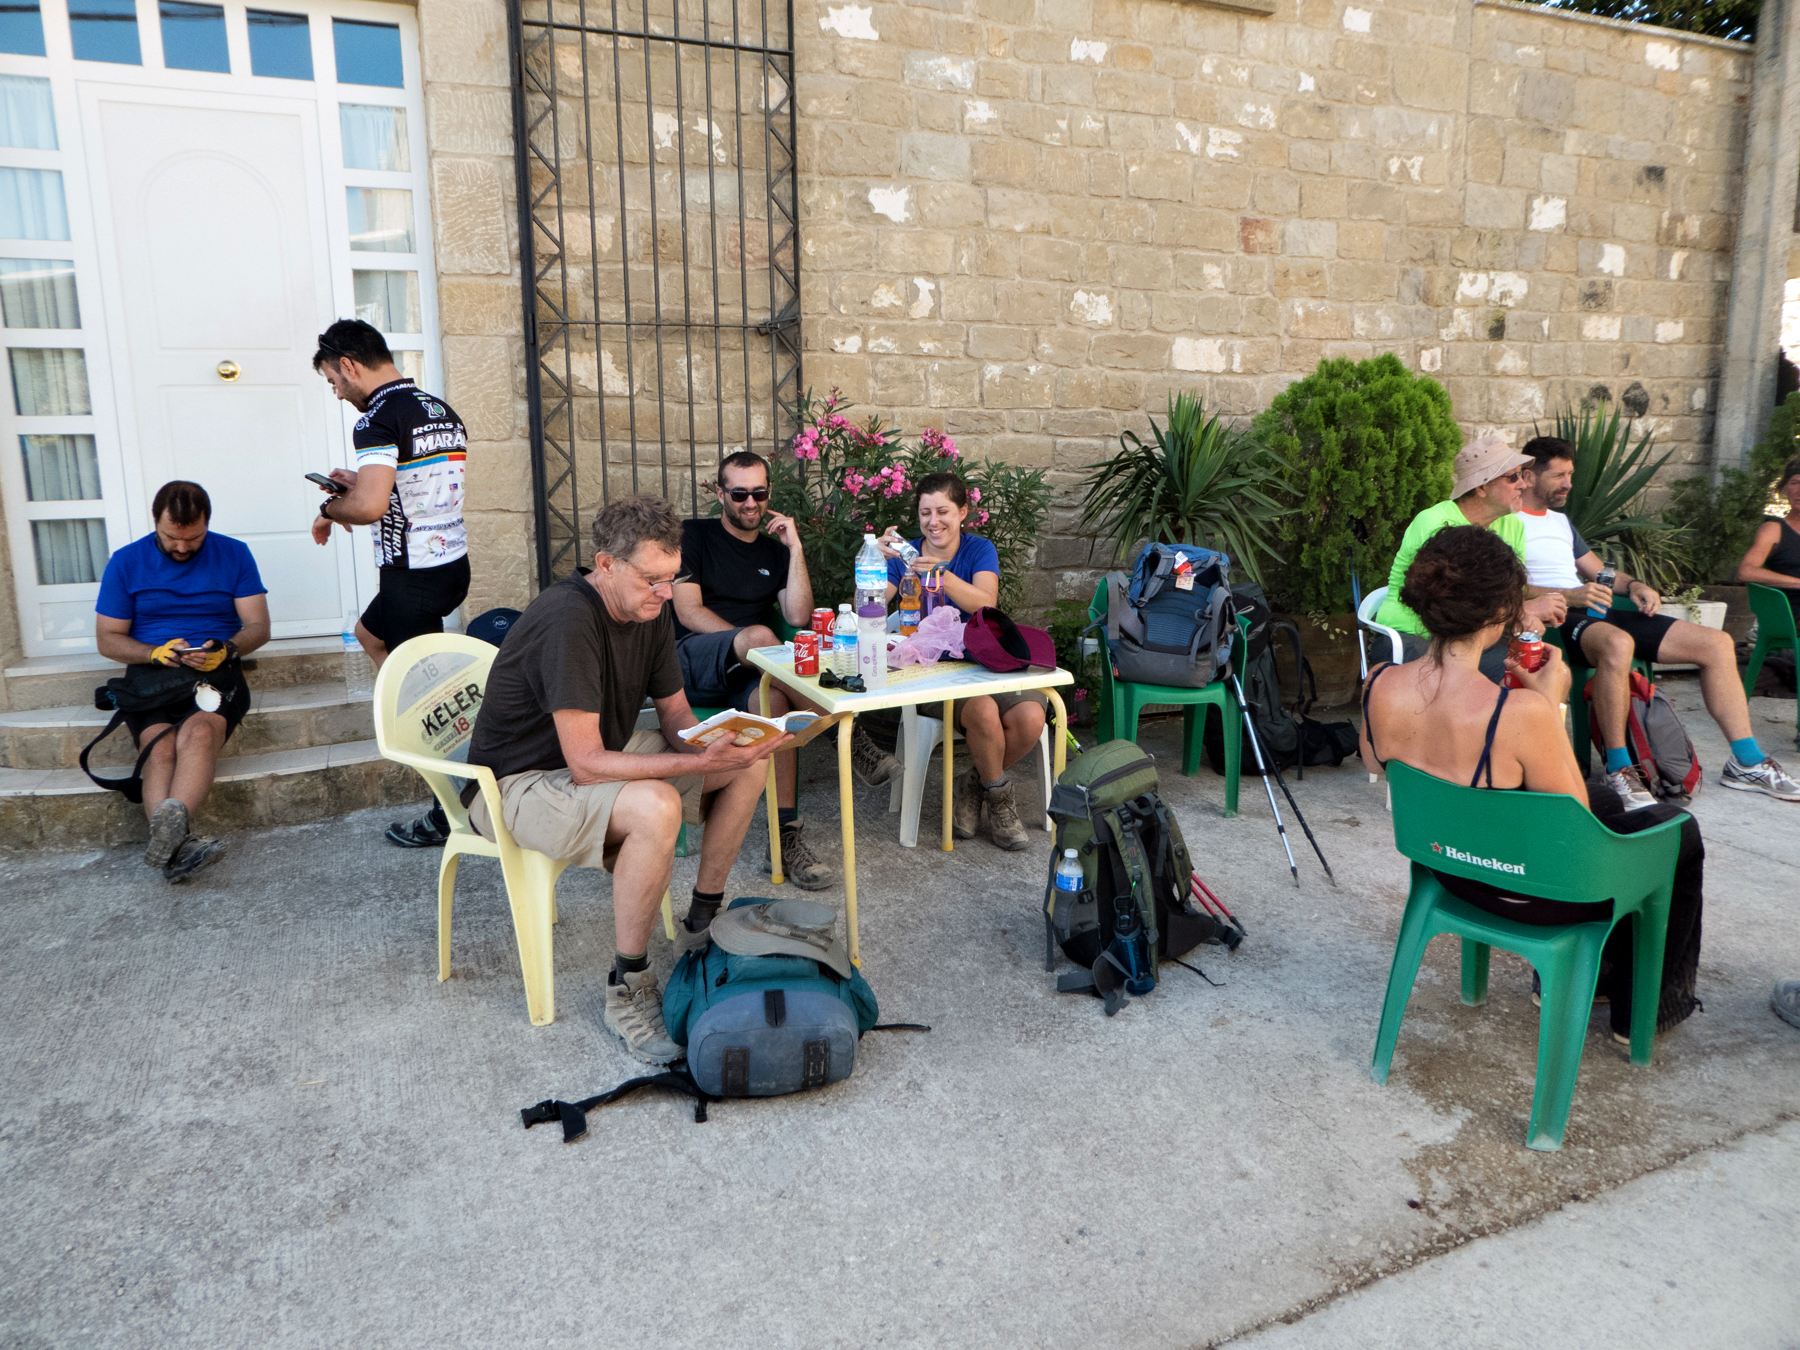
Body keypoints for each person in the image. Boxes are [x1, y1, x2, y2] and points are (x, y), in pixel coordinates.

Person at [462, 494, 788, 1063]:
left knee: (748, 762)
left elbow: (676, 714)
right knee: (656, 806)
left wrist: (725, 742)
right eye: (651, 580)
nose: (665, 594)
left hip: (591, 756)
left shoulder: (649, 609)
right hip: (514, 785)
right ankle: (628, 984)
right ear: (606, 564)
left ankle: (701, 922)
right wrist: (697, 764)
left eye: (672, 579)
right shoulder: (569, 618)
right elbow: (587, 763)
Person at [1360, 526, 1704, 1046]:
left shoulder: (1379, 683)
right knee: (1678, 828)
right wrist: (1548, 703)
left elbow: (1378, 763)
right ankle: (1642, 1012)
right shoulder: (1518, 713)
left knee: (1611, 800)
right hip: (1529, 891)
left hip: (1446, 869)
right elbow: (1574, 819)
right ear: (1504, 611)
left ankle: (1602, 976)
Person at [1520, 436, 1799, 808]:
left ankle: (1746, 762)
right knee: (1618, 643)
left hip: (1597, 609)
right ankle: (1620, 769)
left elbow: (1599, 572)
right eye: (1559, 476)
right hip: (1557, 618)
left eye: (1570, 474)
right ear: (1528, 475)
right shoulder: (1506, 522)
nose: (1568, 484)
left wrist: (1635, 585)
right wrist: (1570, 596)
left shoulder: (1560, 522)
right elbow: (1509, 588)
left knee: (1716, 644)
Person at [672, 450, 886, 892]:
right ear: (720, 494)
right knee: (759, 636)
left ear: (769, 492)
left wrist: (795, 548)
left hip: (754, 671)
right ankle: (847, 735)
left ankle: (783, 836)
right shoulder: (693, 536)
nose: (750, 503)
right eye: (739, 494)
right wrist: (751, 643)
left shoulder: (773, 549)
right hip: (694, 660)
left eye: (759, 493)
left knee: (775, 707)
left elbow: (798, 614)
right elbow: (688, 611)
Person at [309, 319, 473, 849]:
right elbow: (413, 485)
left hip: (411, 579)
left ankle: (451, 813)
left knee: (432, 707)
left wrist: (330, 510)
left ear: (349, 365)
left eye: (334, 382)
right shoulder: (436, 408)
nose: (338, 394)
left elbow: (370, 507)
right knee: (369, 634)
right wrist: (356, 483)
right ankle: (410, 715)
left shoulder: (376, 419)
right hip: (450, 566)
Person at [94, 481, 270, 882]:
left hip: (214, 671)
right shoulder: (126, 561)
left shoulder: (234, 553)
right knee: (159, 748)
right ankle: (177, 847)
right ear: (155, 521)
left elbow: (258, 627)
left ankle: (169, 847)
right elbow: (108, 638)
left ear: (207, 524)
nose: (182, 547)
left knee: (199, 735)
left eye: (194, 538)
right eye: (171, 537)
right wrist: (152, 653)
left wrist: (227, 648)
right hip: (151, 674)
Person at [877, 471, 1044, 851]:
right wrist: (871, 560)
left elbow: (987, 603)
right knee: (983, 712)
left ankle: (973, 784)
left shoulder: (979, 549)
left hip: (983, 664)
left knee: (1031, 716)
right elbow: (868, 607)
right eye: (925, 513)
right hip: (927, 672)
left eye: (943, 511)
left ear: (963, 512)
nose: (933, 521)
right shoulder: (904, 557)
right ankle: (999, 799)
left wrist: (942, 576)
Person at [1375, 434, 1567, 681]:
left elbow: (1509, 593)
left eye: (1521, 475)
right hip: (1415, 634)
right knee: (1510, 674)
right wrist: (1522, 611)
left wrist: (1523, 616)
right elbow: (1448, 606)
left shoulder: (1512, 525)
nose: (1523, 484)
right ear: (1481, 487)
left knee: (1546, 671)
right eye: (1512, 477)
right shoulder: (1435, 523)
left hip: (1471, 638)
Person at [1735, 455, 1800, 622]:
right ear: (1785, 488)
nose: (1799, 490)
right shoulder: (1773, 530)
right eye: (1795, 482)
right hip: (1790, 617)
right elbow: (1746, 571)